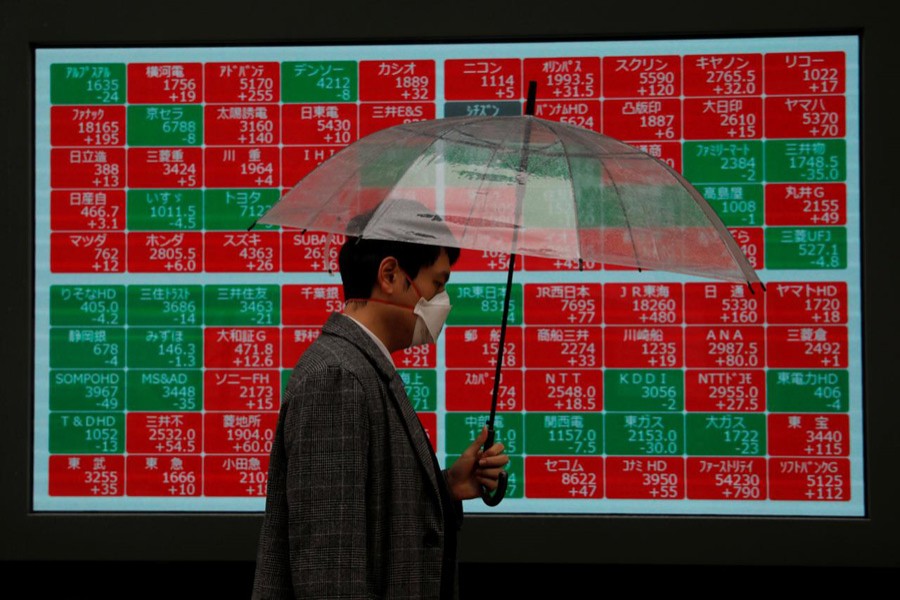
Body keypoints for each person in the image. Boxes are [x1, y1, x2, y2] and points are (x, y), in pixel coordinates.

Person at [251, 206, 509, 599]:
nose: (443, 302)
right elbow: (330, 573)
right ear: (389, 275)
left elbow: (372, 513)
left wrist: (446, 489)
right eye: (437, 285)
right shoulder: (337, 378)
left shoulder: (360, 365)